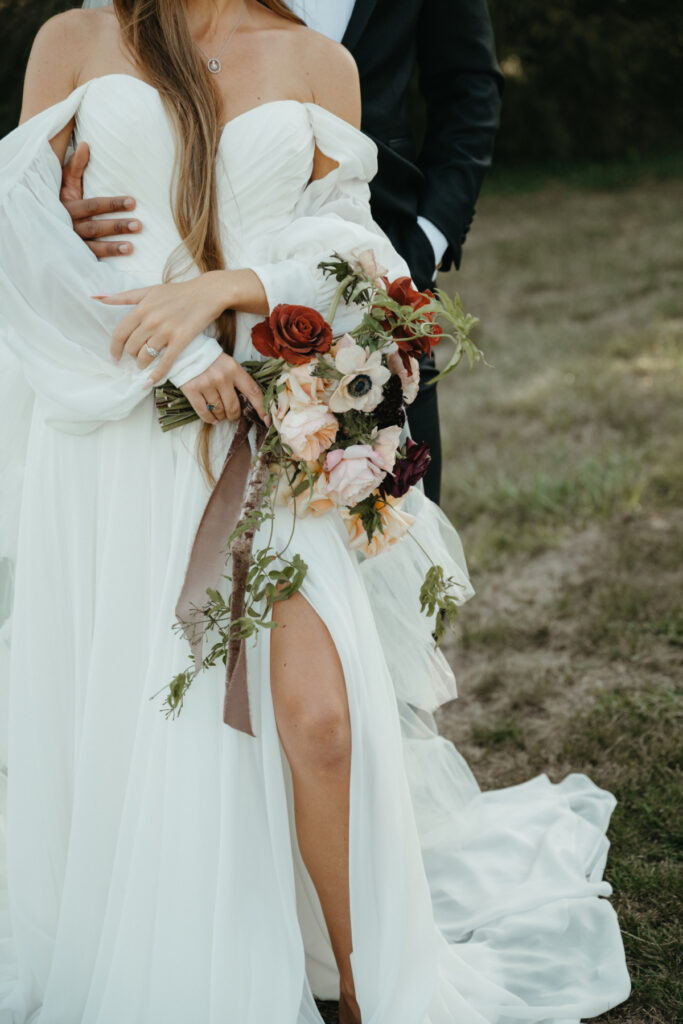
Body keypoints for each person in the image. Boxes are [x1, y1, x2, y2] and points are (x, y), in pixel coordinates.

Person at [0, 2, 630, 1022]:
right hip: (116, 442)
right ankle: (201, 952)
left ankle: (357, 983)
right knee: (157, 727)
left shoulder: (316, 61)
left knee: (320, 723)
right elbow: (19, 240)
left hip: (262, 439)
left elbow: (357, 264)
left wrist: (235, 291)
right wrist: (175, 345)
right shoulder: (72, 40)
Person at [59, 0, 504, 504]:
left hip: (337, 297)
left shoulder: (316, 60)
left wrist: (422, 244)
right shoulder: (81, 41)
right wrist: (55, 215)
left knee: (368, 521)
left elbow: (469, 87)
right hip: (128, 363)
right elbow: (28, 221)